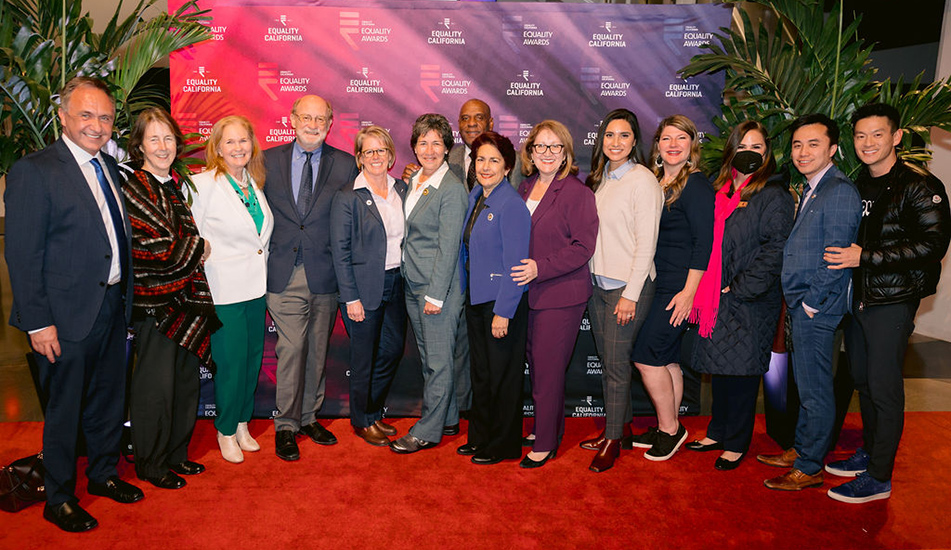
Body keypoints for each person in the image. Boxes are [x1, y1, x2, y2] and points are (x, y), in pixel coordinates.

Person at [5, 76, 143, 532]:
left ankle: (103, 475)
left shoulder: (110, 168)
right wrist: (38, 323)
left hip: (110, 307)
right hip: (63, 318)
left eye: (104, 117)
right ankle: (59, 496)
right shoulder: (34, 170)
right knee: (64, 410)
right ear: (62, 116)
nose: (96, 125)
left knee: (108, 400)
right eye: (86, 115)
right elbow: (23, 255)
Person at [823, 104, 951, 503]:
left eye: (877, 134)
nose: (868, 143)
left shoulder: (918, 185)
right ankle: (871, 454)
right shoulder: (858, 182)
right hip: (860, 298)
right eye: (860, 136)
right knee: (863, 380)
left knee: (884, 386)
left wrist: (866, 257)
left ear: (896, 137)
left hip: (893, 299)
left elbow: (933, 246)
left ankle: (879, 477)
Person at [759, 113, 861, 491]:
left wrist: (812, 305)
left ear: (833, 148)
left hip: (816, 308)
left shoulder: (838, 191)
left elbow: (837, 258)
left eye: (813, 144)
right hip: (805, 304)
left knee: (816, 389)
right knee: (806, 384)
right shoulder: (813, 187)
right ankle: (800, 450)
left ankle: (810, 465)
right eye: (798, 144)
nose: (802, 152)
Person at [687, 121, 794, 470]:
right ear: (732, 150)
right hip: (716, 296)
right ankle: (718, 430)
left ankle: (736, 441)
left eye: (758, 147)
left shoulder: (772, 194)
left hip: (749, 299)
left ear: (768, 154)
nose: (750, 152)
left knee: (743, 373)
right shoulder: (722, 190)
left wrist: (742, 286)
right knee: (720, 370)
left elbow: (776, 249)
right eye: (743, 146)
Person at [123, 107, 220, 488]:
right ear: (140, 145)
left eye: (168, 138)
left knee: (183, 385)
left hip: (188, 305)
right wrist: (198, 247)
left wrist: (191, 247)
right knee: (154, 390)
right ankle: (150, 463)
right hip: (157, 307)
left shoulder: (176, 185)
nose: (162, 146)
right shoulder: (135, 185)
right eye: (154, 139)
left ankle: (176, 455)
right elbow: (149, 246)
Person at [263, 95, 359, 461]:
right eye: (306, 117)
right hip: (284, 273)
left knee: (317, 351)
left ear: (330, 123)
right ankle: (286, 424)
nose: (313, 124)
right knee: (291, 350)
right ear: (291, 119)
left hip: (326, 273)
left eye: (321, 118)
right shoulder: (267, 161)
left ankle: (308, 416)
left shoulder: (345, 164)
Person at [578, 108, 663, 473]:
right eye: (609, 136)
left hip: (628, 289)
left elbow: (647, 244)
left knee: (614, 367)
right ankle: (623, 428)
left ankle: (612, 439)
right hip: (599, 285)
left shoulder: (642, 180)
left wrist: (630, 294)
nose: (615, 142)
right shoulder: (603, 178)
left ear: (635, 141)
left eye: (623, 135)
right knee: (611, 363)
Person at [513, 120, 598, 468]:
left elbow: (583, 248)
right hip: (529, 294)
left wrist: (539, 267)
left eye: (554, 146)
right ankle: (549, 427)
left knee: (547, 369)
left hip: (561, 293)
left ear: (565, 153)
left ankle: (545, 443)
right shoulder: (525, 187)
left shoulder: (578, 193)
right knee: (540, 366)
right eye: (540, 146)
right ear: (530, 152)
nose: (547, 153)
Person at [629, 115, 714, 461]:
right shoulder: (655, 181)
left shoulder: (695, 185)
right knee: (668, 360)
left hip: (678, 287)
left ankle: (670, 430)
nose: (674, 144)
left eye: (682, 138)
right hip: (658, 281)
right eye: (667, 138)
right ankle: (672, 423)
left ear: (692, 145)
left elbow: (703, 242)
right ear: (658, 145)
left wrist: (689, 292)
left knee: (646, 357)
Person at [190, 116, 274, 464]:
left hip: (256, 289)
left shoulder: (254, 183)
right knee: (231, 364)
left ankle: (242, 423)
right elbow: (190, 235)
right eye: (230, 142)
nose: (238, 147)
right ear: (217, 147)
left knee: (253, 361)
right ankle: (224, 431)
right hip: (224, 293)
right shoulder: (203, 184)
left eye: (244, 141)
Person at [390, 114, 469, 453]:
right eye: (423, 142)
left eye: (437, 142)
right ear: (414, 146)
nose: (430, 149)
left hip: (438, 289)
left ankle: (428, 430)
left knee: (437, 362)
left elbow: (449, 246)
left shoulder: (451, 188)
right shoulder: (417, 180)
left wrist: (436, 294)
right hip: (413, 282)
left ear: (448, 148)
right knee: (431, 359)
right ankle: (448, 417)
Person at [456, 131, 531, 465]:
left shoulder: (511, 204)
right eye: (480, 159)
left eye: (494, 160)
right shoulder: (477, 195)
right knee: (483, 374)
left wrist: (504, 312)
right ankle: (482, 437)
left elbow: (516, 266)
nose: (485, 166)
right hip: (476, 298)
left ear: (508, 166)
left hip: (501, 303)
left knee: (503, 376)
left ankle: (503, 444)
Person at [330, 125, 407, 447]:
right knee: (363, 358)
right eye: (369, 151)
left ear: (391, 155)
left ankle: (373, 412)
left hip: (397, 283)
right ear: (359, 157)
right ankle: (362, 421)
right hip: (362, 289)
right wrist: (351, 298)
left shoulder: (403, 188)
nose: (376, 156)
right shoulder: (348, 196)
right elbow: (340, 251)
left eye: (382, 150)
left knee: (391, 350)